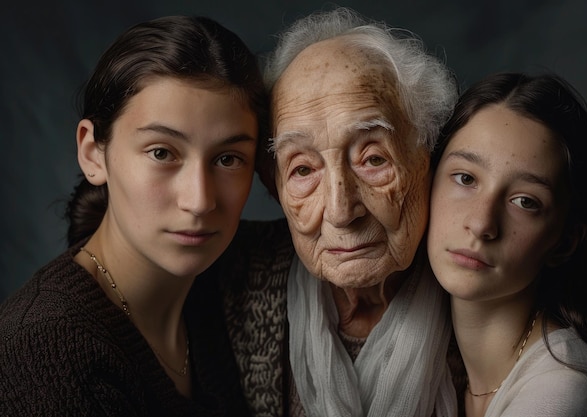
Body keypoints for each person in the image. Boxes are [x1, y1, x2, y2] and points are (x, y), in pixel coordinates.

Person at [0, 15, 267, 416]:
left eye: (228, 159)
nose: (199, 201)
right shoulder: (42, 351)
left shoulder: (245, 274)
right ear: (93, 153)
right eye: (162, 152)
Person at [213, 7, 459, 416]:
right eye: (303, 169)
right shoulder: (231, 278)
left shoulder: (489, 294)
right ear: (274, 187)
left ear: (428, 157)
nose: (341, 211)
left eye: (373, 159)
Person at [427, 72, 587, 417]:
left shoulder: (567, 391)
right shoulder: (434, 369)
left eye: (525, 201)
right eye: (466, 178)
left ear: (563, 241)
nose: (482, 223)